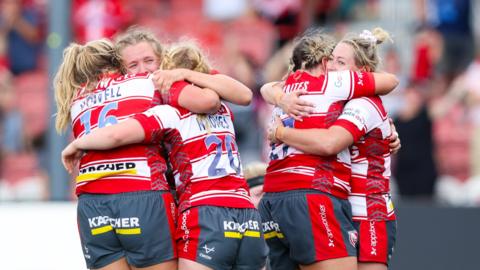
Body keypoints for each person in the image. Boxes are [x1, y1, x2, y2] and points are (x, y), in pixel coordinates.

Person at [62, 42, 268, 270]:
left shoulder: (79, 100)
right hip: (241, 209)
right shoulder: (224, 110)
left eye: (150, 62)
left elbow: (116, 134)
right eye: (134, 64)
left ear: (165, 68)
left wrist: (77, 144)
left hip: (195, 209)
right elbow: (240, 95)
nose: (145, 71)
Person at [258, 28, 398, 270]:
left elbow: (330, 142)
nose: (332, 67)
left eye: (340, 62)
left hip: (367, 211)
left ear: (361, 72)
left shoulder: (363, 102)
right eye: (331, 59)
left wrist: (281, 132)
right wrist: (279, 97)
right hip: (333, 203)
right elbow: (268, 87)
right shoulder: (330, 94)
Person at [54, 39, 179, 270]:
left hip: (92, 204)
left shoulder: (76, 100)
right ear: (117, 63)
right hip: (141, 194)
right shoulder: (144, 83)